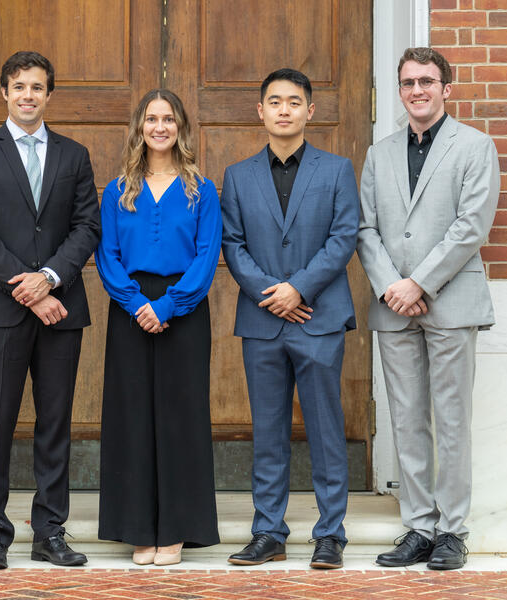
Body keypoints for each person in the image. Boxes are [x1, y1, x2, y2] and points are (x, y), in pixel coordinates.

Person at [0, 50, 101, 569]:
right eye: (19, 86)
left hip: (62, 309)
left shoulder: (74, 154)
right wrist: (27, 288)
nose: (28, 95)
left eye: (37, 87)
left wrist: (49, 280)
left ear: (49, 94)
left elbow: (87, 226)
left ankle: (50, 532)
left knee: (55, 422)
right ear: (4, 92)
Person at [357, 47, 500, 570]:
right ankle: (417, 527)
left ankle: (451, 531)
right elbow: (365, 227)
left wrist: (418, 282)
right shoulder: (380, 152)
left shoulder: (476, 146)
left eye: (427, 81)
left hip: (451, 303)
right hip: (394, 306)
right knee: (407, 419)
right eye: (408, 82)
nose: (417, 90)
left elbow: (471, 226)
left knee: (452, 419)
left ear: (447, 88)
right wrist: (392, 286)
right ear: (399, 90)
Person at [220, 68, 359, 569]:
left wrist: (298, 288)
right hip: (262, 322)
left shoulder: (337, 169)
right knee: (268, 431)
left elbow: (343, 238)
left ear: (310, 111)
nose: (284, 110)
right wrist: (271, 293)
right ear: (260, 111)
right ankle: (268, 532)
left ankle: (330, 535)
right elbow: (232, 244)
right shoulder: (237, 175)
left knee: (325, 430)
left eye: (294, 102)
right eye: (274, 102)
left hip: (318, 318)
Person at [96, 89, 222, 567]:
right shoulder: (117, 189)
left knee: (179, 418)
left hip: (183, 311)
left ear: (181, 127)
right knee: (131, 416)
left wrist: (168, 305)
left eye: (169, 118)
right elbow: (106, 255)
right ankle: (138, 531)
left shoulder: (201, 189)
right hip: (129, 309)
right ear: (140, 127)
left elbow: (208, 256)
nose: (160, 126)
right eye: (152, 118)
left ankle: (176, 530)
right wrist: (135, 303)